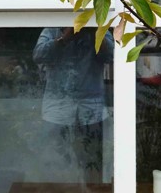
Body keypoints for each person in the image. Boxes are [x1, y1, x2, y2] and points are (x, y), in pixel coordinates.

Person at [34, 27, 112, 181]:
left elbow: (112, 55)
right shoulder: (52, 29)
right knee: (54, 157)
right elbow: (38, 55)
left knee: (93, 158)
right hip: (57, 104)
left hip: (91, 105)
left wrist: (96, 32)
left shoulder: (98, 28)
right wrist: (65, 37)